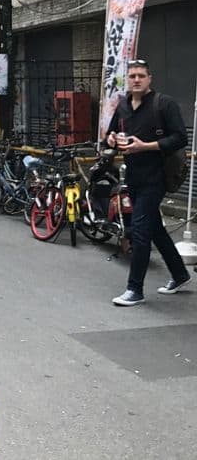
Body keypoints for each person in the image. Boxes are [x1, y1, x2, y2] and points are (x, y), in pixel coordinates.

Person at [105, 58, 191, 307]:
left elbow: (180, 138)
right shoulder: (122, 106)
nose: (136, 80)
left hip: (157, 177)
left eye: (141, 75)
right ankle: (180, 274)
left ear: (149, 78)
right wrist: (111, 140)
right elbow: (111, 135)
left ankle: (135, 290)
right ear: (127, 80)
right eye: (132, 76)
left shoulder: (163, 104)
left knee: (141, 231)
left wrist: (147, 146)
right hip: (133, 176)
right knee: (154, 228)